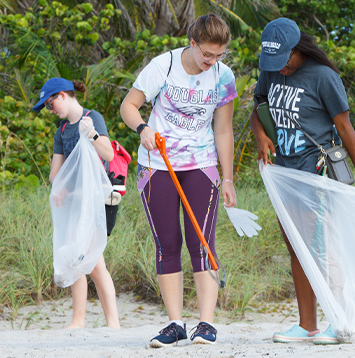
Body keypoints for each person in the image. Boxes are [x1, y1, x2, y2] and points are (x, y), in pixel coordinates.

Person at [250, 18, 355, 345]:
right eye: (273, 63)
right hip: (284, 174)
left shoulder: (324, 77)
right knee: (297, 247)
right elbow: (258, 108)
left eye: (283, 61)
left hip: (316, 172)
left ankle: (339, 321)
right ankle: (307, 324)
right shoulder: (270, 72)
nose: (279, 68)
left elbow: (345, 128)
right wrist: (261, 136)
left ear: (298, 49)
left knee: (322, 249)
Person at [120, 14, 237, 347]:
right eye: (207, 55)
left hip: (201, 164)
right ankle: (175, 324)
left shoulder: (223, 77)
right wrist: (142, 128)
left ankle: (206, 324)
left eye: (219, 55)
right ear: (193, 43)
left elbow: (223, 129)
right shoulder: (164, 66)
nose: (212, 62)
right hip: (158, 164)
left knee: (201, 243)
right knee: (167, 244)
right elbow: (129, 105)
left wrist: (227, 178)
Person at [33, 77, 120, 329]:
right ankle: (79, 320)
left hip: (93, 204)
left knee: (93, 263)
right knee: (76, 261)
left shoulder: (93, 118)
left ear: (63, 95)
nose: (51, 111)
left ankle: (111, 323)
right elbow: (54, 174)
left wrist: (91, 133)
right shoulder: (61, 131)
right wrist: (59, 189)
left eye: (50, 105)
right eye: (47, 108)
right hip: (73, 205)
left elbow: (108, 153)